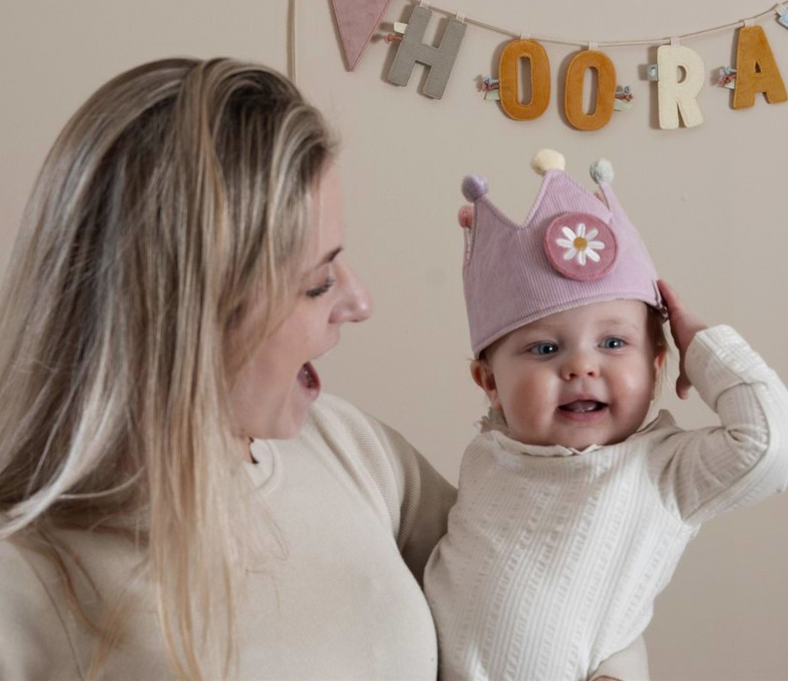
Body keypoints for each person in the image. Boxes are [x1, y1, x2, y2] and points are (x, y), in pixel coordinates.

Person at [0, 59, 647, 681]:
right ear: (183, 314)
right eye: (316, 283)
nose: (359, 303)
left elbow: (559, 577)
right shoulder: (26, 579)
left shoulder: (353, 449)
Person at [424, 150, 788, 681]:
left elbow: (774, 444)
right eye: (544, 349)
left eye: (614, 343)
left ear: (657, 364)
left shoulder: (663, 471)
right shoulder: (488, 457)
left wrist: (700, 345)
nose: (582, 366)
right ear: (490, 384)